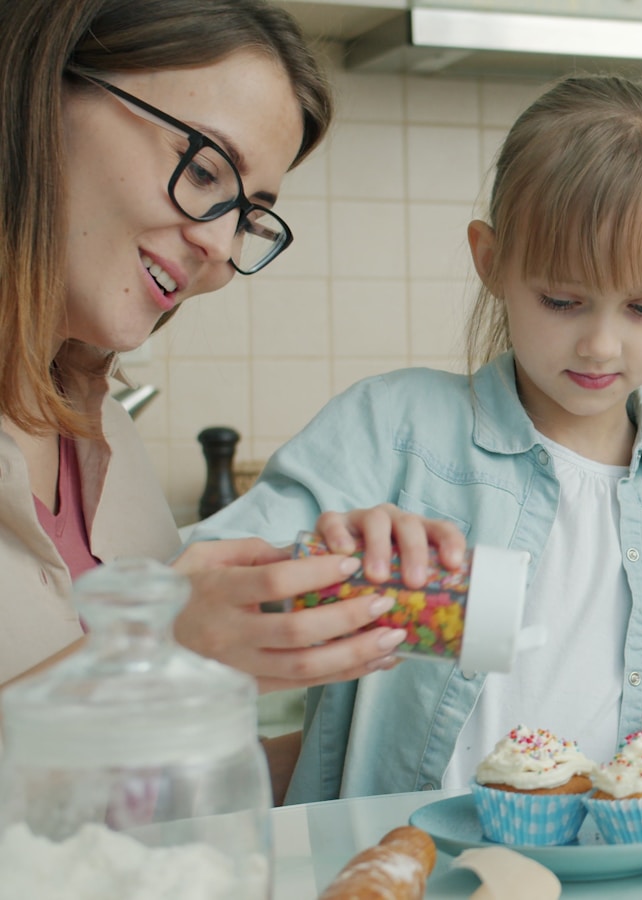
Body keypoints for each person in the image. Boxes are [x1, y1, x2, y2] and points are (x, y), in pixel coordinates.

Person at [190, 73, 642, 804]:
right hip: (400, 865)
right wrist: (337, 563)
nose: (602, 345)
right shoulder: (392, 430)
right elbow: (194, 600)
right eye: (562, 300)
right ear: (491, 262)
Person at [0, 0, 442, 710]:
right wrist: (152, 649)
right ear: (42, 89)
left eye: (248, 218)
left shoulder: (101, 431)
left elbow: (141, 794)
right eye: (205, 171)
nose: (220, 250)